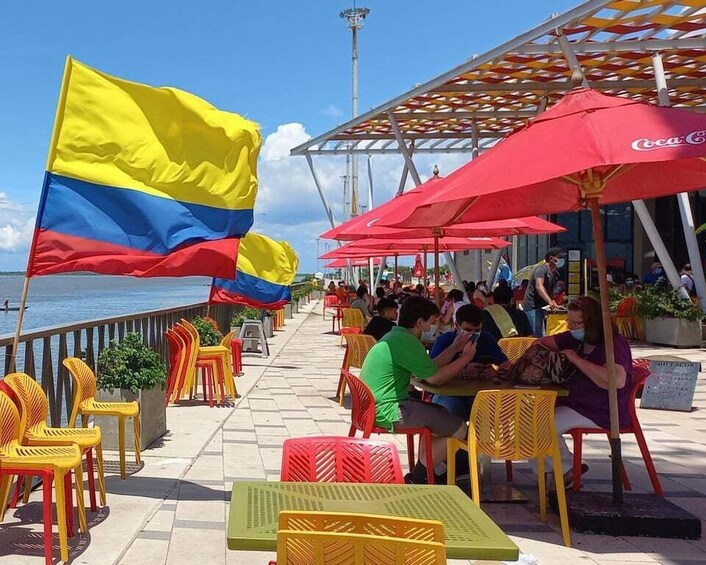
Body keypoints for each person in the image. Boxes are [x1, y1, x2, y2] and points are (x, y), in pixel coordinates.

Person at [360, 296, 478, 484]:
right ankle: (419, 476)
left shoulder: (396, 336)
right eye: (432, 322)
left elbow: (428, 368)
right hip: (390, 410)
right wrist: (465, 358)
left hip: (375, 407)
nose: (434, 327)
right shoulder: (406, 341)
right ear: (420, 322)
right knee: (459, 428)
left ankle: (430, 471)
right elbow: (435, 378)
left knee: (440, 417)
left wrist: (455, 348)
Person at [535, 295, 633, 484]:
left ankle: (566, 469)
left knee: (541, 424)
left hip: (602, 408)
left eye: (576, 323)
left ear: (592, 323)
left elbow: (617, 380)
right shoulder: (573, 338)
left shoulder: (613, 343)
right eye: (568, 321)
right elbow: (541, 342)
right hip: (575, 401)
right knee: (531, 416)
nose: (570, 327)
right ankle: (557, 472)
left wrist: (576, 360)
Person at [430, 304, 508, 419]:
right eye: (467, 330)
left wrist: (496, 370)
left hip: (476, 394)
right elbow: (431, 372)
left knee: (491, 410)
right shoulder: (444, 340)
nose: (472, 334)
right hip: (447, 394)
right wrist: (463, 373)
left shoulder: (486, 338)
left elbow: (506, 364)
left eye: (477, 330)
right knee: (452, 409)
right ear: (456, 325)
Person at [522, 247, 563, 337]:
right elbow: (539, 286)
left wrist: (553, 302)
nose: (561, 259)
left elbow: (550, 292)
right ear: (551, 259)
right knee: (537, 334)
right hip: (532, 307)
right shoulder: (541, 269)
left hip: (543, 307)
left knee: (543, 334)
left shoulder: (555, 274)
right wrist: (550, 302)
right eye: (559, 257)